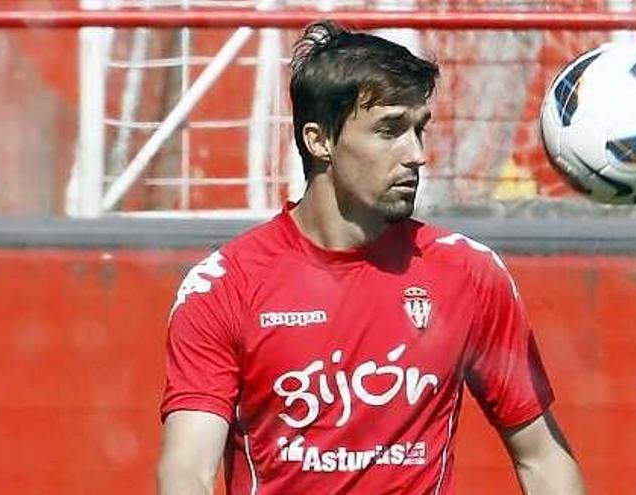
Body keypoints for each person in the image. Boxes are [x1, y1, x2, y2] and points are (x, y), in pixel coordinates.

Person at [157, 20, 587, 495]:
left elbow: (542, 459)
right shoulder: (225, 286)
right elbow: (187, 473)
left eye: (418, 129)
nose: (416, 154)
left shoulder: (470, 273)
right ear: (318, 141)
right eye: (389, 130)